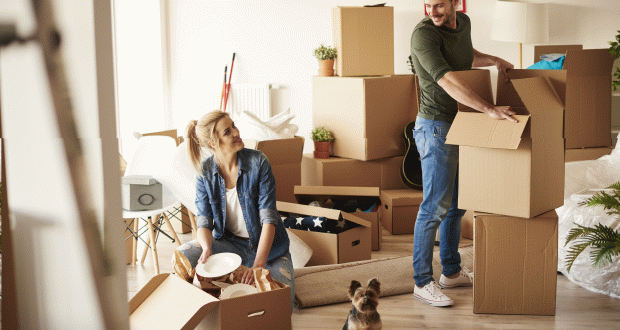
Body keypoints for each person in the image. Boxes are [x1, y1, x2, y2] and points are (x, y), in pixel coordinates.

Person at [410, 0, 517, 307]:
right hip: (435, 128)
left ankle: (451, 272)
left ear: (456, 2)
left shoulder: (465, 23)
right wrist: (489, 109)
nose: (432, 11)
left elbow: (465, 57)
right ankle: (421, 281)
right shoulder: (424, 34)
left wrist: (494, 60)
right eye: (427, 5)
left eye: (439, 4)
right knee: (434, 207)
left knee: (456, 205)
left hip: (460, 122)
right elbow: (446, 78)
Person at [173, 110, 295, 311]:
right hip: (229, 245)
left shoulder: (258, 162)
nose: (236, 132)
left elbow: (269, 219)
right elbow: (204, 220)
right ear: (213, 143)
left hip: (270, 250)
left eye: (234, 126)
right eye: (227, 132)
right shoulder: (205, 173)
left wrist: (258, 265)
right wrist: (207, 249)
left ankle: (238, 279)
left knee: (281, 305)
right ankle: (201, 306)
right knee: (183, 255)